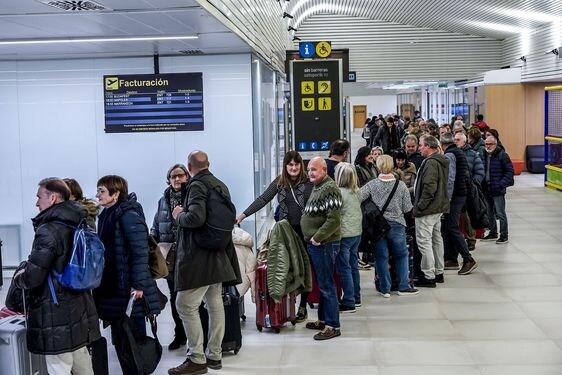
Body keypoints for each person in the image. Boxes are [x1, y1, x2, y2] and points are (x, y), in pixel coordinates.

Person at [14, 177, 100, 374]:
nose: (36, 202)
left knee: (58, 365)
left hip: (55, 309)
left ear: (53, 198)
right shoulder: (80, 221)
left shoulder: (49, 230)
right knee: (81, 360)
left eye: (39, 197)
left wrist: (20, 277)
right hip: (80, 303)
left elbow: (33, 277)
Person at [169, 151, 241, 375]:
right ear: (208, 164)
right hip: (218, 253)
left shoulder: (197, 186)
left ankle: (196, 358)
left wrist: (178, 215)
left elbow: (195, 218)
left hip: (199, 256)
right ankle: (214, 355)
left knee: (184, 305)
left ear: (189, 167)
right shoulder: (220, 185)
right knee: (214, 303)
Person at [94, 175, 161, 374]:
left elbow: (140, 251)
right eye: (98, 190)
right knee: (121, 337)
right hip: (114, 286)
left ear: (116, 194)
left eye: (102, 191)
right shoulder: (107, 214)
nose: (97, 195)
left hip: (130, 289)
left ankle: (138, 370)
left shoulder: (128, 214)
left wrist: (138, 285)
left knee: (134, 337)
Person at [236, 150, 313, 322]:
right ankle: (287, 305)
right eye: (290, 164)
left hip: (305, 232)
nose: (293, 168)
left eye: (296, 164)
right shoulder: (280, 182)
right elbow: (263, 199)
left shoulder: (309, 182)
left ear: (301, 165)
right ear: (285, 166)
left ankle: (302, 306)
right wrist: (243, 215)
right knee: (286, 267)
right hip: (284, 232)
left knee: (304, 268)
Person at [362, 155, 418, 297]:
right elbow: (407, 208)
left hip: (378, 226)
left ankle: (385, 288)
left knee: (381, 257)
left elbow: (359, 198)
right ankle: (403, 286)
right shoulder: (401, 185)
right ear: (392, 166)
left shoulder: (372, 184)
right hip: (397, 224)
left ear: (378, 166)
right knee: (401, 255)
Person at [301, 156, 343, 341]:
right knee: (323, 284)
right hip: (318, 245)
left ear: (324, 170)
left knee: (327, 285)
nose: (310, 172)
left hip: (325, 244)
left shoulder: (330, 188)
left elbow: (334, 219)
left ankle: (333, 325)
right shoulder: (319, 186)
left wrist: (318, 237)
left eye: (314, 169)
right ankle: (323, 320)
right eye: (309, 169)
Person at [150, 164, 189, 350]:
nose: (177, 179)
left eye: (180, 176)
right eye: (173, 176)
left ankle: (198, 337)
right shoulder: (163, 200)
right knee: (174, 298)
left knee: (191, 299)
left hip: (189, 255)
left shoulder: (192, 197)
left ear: (187, 177)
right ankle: (179, 335)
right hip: (170, 257)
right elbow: (157, 225)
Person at [412, 136, 450, 287]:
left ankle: (428, 276)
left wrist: (419, 207)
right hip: (438, 207)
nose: (419, 148)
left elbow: (429, 188)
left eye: (421, 145)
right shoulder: (441, 161)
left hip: (428, 210)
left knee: (424, 242)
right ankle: (438, 272)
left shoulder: (431, 163)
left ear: (428, 146)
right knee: (436, 240)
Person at [440, 133, 478, 275]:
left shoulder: (450, 155)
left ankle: (468, 259)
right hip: (461, 193)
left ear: (442, 144)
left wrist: (447, 198)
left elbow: (450, 179)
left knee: (451, 226)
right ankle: (451, 259)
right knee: (449, 226)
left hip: (455, 195)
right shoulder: (459, 152)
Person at [334, 162, 363, 312]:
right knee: (353, 266)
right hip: (356, 233)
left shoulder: (338, 193)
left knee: (344, 268)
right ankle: (356, 297)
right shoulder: (357, 191)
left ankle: (349, 301)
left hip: (344, 235)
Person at [454, 133, 485, 251]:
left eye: (458, 140)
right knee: (456, 217)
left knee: (468, 217)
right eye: (455, 139)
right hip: (456, 189)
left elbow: (480, 171)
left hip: (468, 189)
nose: (455, 141)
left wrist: (473, 184)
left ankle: (470, 239)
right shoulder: (452, 154)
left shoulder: (472, 154)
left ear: (464, 141)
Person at [481, 136, 514, 244]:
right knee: (489, 212)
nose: (488, 146)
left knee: (500, 213)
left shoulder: (502, 155)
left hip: (497, 189)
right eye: (486, 144)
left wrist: (501, 184)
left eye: (490, 144)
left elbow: (509, 172)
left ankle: (504, 235)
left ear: (495, 144)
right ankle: (493, 232)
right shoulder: (484, 154)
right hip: (486, 188)